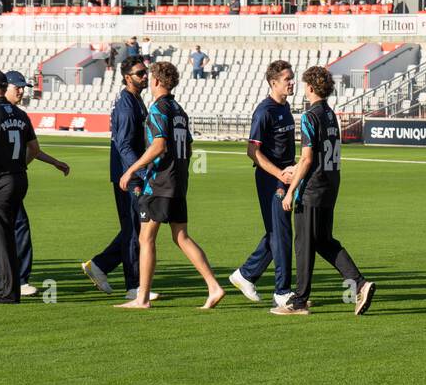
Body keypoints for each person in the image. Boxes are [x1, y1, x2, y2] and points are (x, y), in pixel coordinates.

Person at [116, 61, 224, 310]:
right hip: (178, 181)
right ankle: (213, 286)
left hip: (159, 183)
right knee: (181, 236)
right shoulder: (179, 110)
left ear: (155, 81)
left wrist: (131, 169)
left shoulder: (158, 110)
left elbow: (159, 145)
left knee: (146, 238)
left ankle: (142, 299)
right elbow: (188, 145)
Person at [272, 66, 376, 316]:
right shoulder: (330, 115)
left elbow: (308, 159)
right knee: (323, 241)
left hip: (312, 189)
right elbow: (317, 156)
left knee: (304, 244)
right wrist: (295, 168)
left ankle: (299, 301)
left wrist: (290, 190)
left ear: (310, 87)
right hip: (330, 185)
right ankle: (360, 284)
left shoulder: (310, 116)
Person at [0, 71, 69, 298]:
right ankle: (9, 280)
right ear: (5, 87)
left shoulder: (12, 114)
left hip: (4, 180)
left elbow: (32, 151)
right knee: (13, 228)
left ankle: (1, 280)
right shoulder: (15, 115)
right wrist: (18, 167)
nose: (21, 91)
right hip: (7, 181)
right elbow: (29, 150)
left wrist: (53, 162)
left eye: (23, 87)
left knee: (3, 229)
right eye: (17, 87)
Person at [230, 61, 297, 308]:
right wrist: (280, 173)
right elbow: (252, 151)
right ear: (273, 83)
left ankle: (246, 274)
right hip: (271, 180)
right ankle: (282, 291)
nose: (292, 82)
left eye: (292, 77)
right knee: (282, 233)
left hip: (285, 177)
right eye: (287, 79)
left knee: (276, 233)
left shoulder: (285, 106)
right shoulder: (264, 111)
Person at [82, 54, 149, 299]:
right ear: (126, 77)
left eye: (145, 72)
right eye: (140, 73)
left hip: (129, 172)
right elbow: (124, 145)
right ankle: (134, 286)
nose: (145, 77)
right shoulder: (126, 104)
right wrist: (138, 173)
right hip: (127, 174)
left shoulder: (134, 100)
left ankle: (100, 266)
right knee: (134, 229)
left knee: (136, 227)